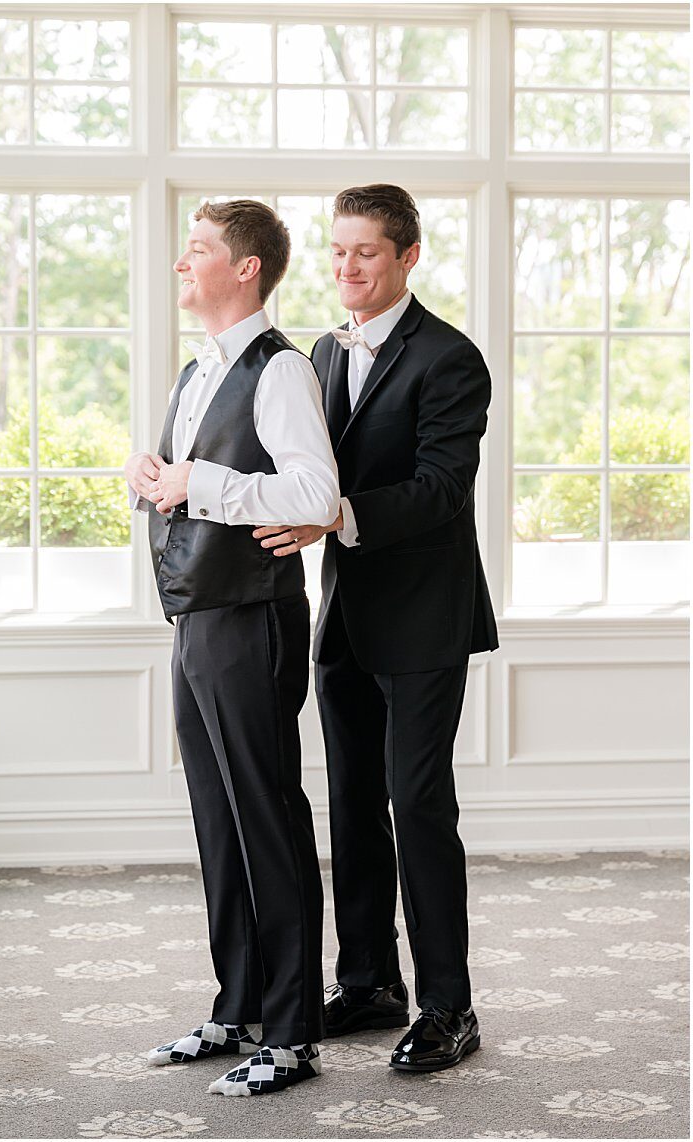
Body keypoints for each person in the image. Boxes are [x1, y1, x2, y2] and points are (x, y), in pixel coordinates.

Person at [254, 183, 499, 1072]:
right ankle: (367, 981)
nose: (346, 267)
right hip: (344, 616)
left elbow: (443, 489)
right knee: (354, 805)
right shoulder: (321, 350)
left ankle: (449, 1007)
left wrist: (337, 516)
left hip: (427, 619)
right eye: (338, 250)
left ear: (407, 257)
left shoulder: (452, 359)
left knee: (418, 807)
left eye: (365, 252)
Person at [124, 199, 339, 1096]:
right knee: (219, 820)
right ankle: (237, 1006)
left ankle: (291, 1034)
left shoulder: (281, 369)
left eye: (200, 250)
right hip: (197, 618)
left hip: (251, 618)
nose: (184, 263)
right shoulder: (194, 371)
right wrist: (153, 483)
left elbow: (315, 492)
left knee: (267, 819)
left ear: (246, 268)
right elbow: (195, 487)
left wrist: (196, 480)